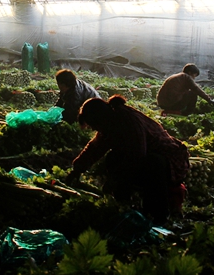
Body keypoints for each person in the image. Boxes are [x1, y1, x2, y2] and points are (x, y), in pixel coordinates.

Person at [66, 96, 189, 224]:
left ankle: (158, 215)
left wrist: (114, 180)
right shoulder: (110, 121)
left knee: (152, 164)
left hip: (169, 159)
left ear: (99, 119)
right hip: (144, 156)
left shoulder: (127, 120)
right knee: (113, 158)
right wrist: (77, 169)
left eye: (93, 125)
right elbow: (95, 148)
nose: (94, 129)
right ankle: (123, 203)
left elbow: (137, 155)